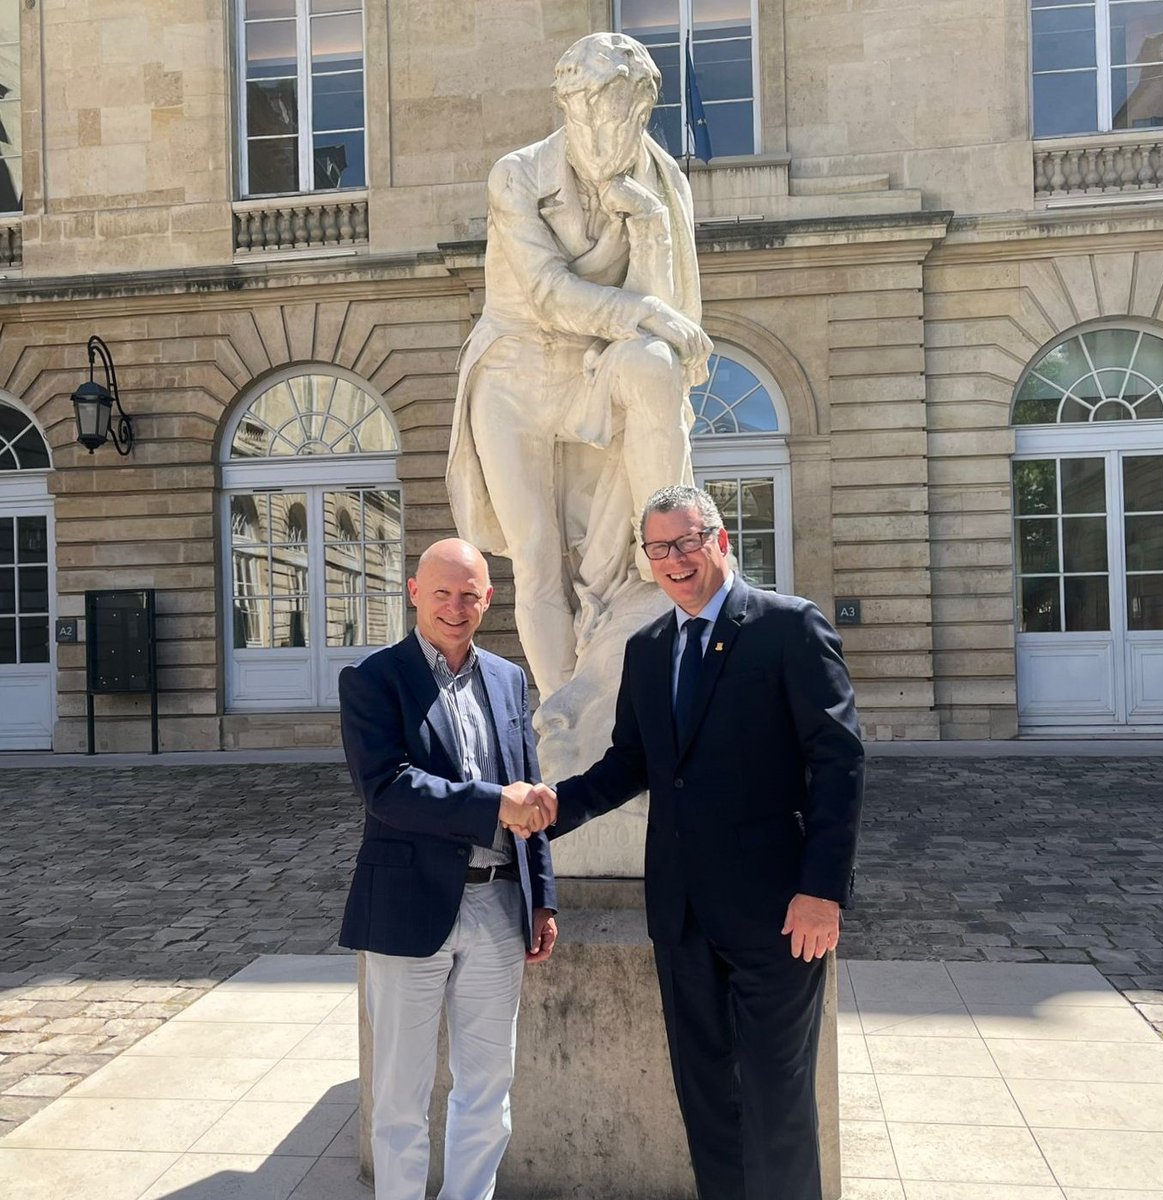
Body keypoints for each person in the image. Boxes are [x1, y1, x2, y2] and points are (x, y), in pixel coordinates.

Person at [546, 484, 865, 1200]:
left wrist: (822, 890)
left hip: (778, 914)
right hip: (682, 914)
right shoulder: (649, 648)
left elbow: (838, 760)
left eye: (686, 542)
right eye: (658, 549)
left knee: (777, 1098)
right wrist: (551, 808)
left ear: (720, 540)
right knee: (706, 1095)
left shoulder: (789, 627)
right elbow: (631, 762)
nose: (674, 560)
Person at [447, 32, 713, 698]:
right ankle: (564, 709)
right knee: (537, 563)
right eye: (590, 108)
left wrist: (648, 223)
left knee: (653, 367)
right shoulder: (517, 173)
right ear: (567, 104)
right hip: (513, 372)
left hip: (591, 367)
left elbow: (666, 305)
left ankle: (663, 553)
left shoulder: (662, 181)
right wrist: (645, 313)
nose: (605, 126)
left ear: (644, 109)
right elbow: (546, 293)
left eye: (622, 111)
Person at [338, 538, 557, 1200]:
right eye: (442, 593)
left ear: (488, 600)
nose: (456, 608)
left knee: (487, 1087)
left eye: (470, 595)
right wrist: (496, 804)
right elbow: (388, 789)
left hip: (497, 907)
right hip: (407, 908)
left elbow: (531, 786)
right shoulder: (373, 679)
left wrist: (541, 895)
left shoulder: (509, 678)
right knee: (400, 1097)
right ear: (413, 593)